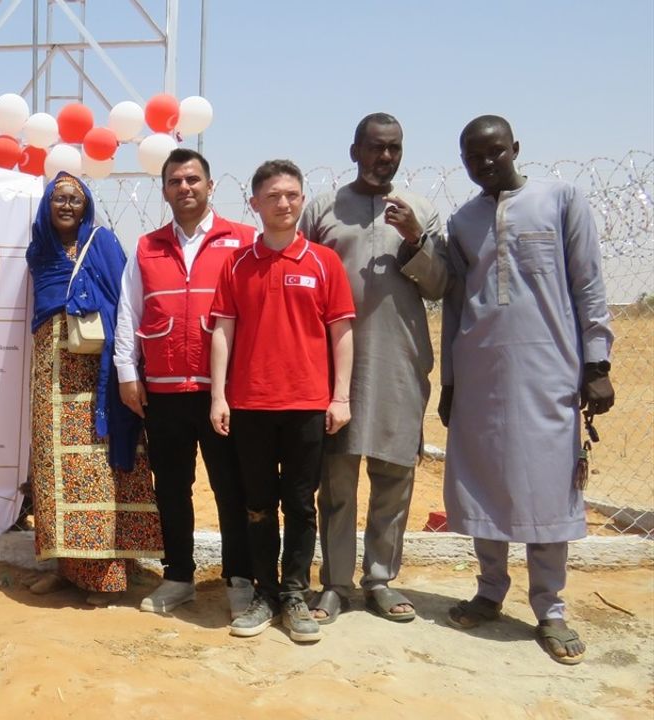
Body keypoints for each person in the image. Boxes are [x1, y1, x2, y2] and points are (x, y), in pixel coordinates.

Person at [440, 115, 614, 665]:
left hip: (549, 371)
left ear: (515, 148)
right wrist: (449, 381)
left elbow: (588, 282)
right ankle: (491, 591)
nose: (484, 164)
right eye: (472, 157)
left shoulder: (561, 199)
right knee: (485, 480)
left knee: (544, 486)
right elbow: (454, 307)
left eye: (493, 152)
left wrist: (597, 362)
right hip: (481, 374)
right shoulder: (462, 221)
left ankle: (551, 609)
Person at [298, 113, 448, 624]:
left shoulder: (420, 210)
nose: (386, 157)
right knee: (336, 481)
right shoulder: (322, 209)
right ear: (354, 151)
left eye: (395, 148)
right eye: (376, 148)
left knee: (393, 477)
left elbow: (440, 285)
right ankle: (336, 584)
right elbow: (299, 277)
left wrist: (414, 240)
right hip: (334, 369)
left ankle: (381, 578)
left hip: (401, 364)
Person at [208, 159, 356, 644]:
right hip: (249, 407)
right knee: (256, 505)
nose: (284, 203)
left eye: (292, 195)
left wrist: (340, 398)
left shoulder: (323, 262)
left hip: (306, 407)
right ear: (255, 204)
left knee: (300, 505)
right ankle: (264, 594)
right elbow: (223, 332)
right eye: (273, 196)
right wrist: (219, 395)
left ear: (301, 199)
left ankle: (294, 594)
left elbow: (341, 333)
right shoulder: (237, 264)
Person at [114, 148, 257, 615]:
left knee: (230, 488)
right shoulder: (147, 246)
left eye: (194, 179)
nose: (186, 188)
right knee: (172, 488)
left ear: (210, 186)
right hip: (165, 390)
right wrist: (127, 372)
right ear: (165, 191)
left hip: (224, 393)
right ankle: (178, 576)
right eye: (176, 181)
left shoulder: (242, 240)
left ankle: (240, 579)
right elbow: (129, 311)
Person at [24, 172, 163, 606]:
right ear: (47, 205)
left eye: (75, 199)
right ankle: (67, 567)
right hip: (51, 371)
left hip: (97, 378)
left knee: (98, 467)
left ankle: (104, 574)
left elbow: (123, 305)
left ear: (86, 207)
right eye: (59, 199)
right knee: (53, 467)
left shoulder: (101, 243)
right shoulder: (39, 250)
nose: (66, 206)